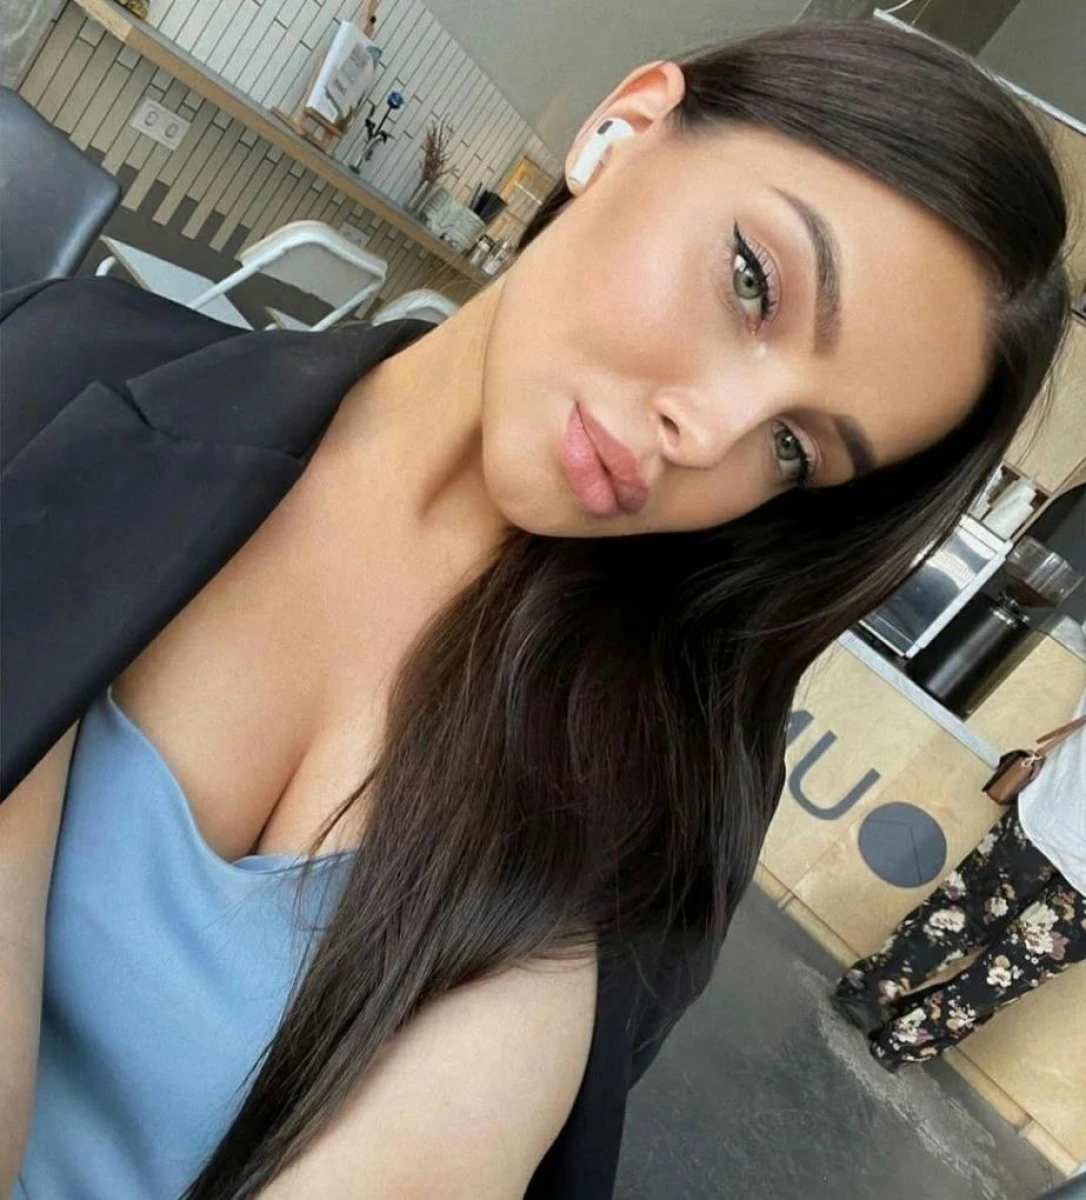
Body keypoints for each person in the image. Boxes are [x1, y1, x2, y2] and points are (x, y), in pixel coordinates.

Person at [0, 19, 1071, 1200]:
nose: (708, 434)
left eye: (793, 448)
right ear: (622, 130)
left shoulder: (643, 802)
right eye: (753, 283)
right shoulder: (69, 370)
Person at [833, 690, 1086, 1071]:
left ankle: (885, 1011)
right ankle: (888, 1019)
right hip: (1054, 815)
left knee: (985, 944)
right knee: (993, 953)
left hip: (1055, 814)